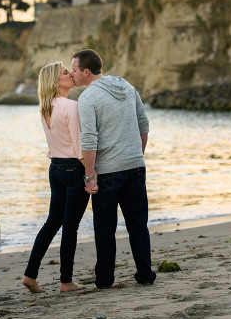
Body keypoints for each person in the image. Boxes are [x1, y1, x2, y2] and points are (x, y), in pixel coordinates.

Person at [70, 49, 156, 289]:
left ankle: (105, 280)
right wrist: (136, 154)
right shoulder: (127, 87)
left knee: (105, 228)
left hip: (108, 172)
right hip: (136, 166)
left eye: (74, 70)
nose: (73, 74)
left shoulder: (87, 98)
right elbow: (144, 123)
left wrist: (89, 175)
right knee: (138, 224)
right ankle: (145, 275)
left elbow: (89, 139)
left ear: (86, 72)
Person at [22, 62, 90, 294]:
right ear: (55, 82)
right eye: (65, 73)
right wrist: (91, 174)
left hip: (55, 169)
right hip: (73, 170)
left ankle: (30, 275)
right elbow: (80, 147)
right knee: (70, 227)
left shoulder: (45, 107)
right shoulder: (71, 106)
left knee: (52, 222)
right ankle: (66, 281)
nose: (70, 74)